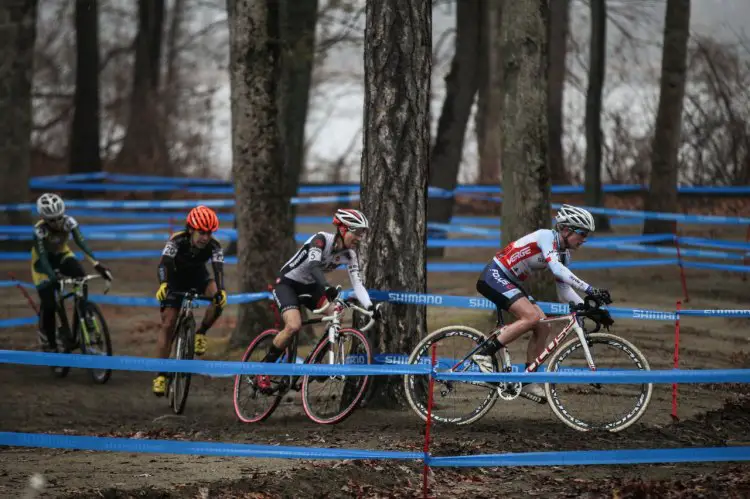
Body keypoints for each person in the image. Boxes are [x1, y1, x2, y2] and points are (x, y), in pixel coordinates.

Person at [473, 204, 610, 402]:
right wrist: (590, 290)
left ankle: (528, 380)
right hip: (494, 275)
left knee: (543, 327)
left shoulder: (564, 255)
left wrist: (592, 309)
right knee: (531, 316)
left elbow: (564, 290)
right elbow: (557, 270)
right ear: (565, 229)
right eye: (582, 233)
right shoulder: (546, 236)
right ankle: (484, 354)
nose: (584, 239)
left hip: (511, 281)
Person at [255, 208, 378, 391]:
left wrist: (370, 306)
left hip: (311, 287)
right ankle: (262, 371)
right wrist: (327, 287)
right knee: (293, 326)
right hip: (288, 284)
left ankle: (315, 362)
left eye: (362, 233)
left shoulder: (350, 255)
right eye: (357, 232)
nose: (360, 238)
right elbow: (313, 266)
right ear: (343, 229)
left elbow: (358, 285)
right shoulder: (320, 240)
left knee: (336, 313)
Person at [152, 205, 227, 396]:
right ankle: (160, 375)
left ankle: (201, 332)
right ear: (191, 229)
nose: (206, 237)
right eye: (202, 233)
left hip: (198, 276)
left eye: (209, 233)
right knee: (168, 323)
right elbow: (164, 264)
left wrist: (222, 290)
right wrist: (163, 284)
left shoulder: (214, 245)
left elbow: (218, 269)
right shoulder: (177, 240)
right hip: (175, 279)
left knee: (217, 298)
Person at [31, 193, 113, 352]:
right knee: (49, 302)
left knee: (80, 275)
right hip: (42, 264)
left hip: (62, 255)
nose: (56, 222)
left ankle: (85, 315)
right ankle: (49, 340)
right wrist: (51, 275)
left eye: (59, 217)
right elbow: (42, 257)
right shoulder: (39, 231)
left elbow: (81, 243)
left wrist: (97, 265)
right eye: (52, 220)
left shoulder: (69, 222)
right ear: (43, 218)